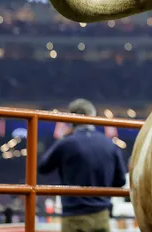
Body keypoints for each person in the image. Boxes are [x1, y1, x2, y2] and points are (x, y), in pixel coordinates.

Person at [39, 99, 127, 232]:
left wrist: (62, 139)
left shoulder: (66, 143)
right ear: (93, 116)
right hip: (101, 213)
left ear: (70, 119)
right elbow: (120, 180)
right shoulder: (109, 144)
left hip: (74, 215)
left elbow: (43, 167)